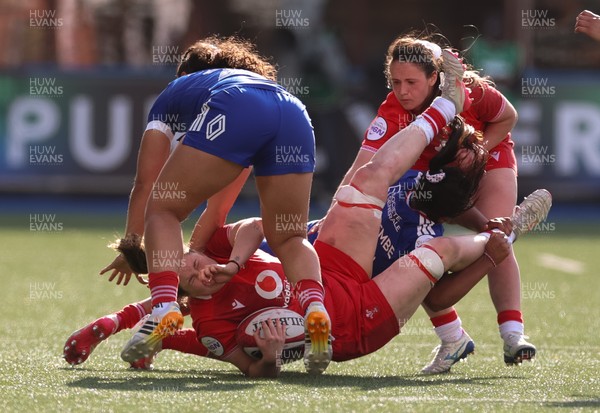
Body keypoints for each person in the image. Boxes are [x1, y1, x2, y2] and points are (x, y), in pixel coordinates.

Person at [63, 51, 552, 376]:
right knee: (397, 233)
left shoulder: (178, 108)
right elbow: (235, 201)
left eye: (186, 265)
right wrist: (105, 327)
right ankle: (485, 263)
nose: (197, 268)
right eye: (191, 276)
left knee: (164, 210)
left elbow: (154, 189)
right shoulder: (212, 326)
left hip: (340, 270)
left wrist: (138, 249)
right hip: (344, 297)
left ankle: (493, 296)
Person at [115, 36, 332, 375]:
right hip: (294, 112)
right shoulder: (251, 85)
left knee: (163, 209)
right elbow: (218, 210)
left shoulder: (178, 90)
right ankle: (316, 312)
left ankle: (164, 308)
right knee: (289, 236)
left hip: (238, 109)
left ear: (184, 73)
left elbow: (145, 184)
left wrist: (132, 246)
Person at [328, 34, 530, 373]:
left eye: (411, 82)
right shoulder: (392, 110)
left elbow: (508, 116)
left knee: (499, 230)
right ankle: (453, 336)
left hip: (489, 154)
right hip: (438, 174)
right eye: (395, 82)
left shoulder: (469, 90)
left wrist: (477, 154)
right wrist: (336, 213)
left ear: (435, 78)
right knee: (408, 244)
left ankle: (513, 335)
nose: (402, 91)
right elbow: (361, 168)